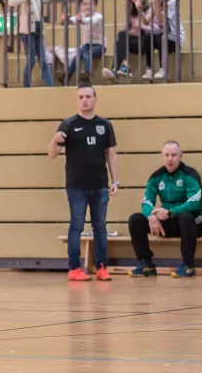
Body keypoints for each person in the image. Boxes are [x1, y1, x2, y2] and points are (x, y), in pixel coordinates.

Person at [48, 82, 119, 282]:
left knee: (100, 226)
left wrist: (116, 181)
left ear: (95, 99)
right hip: (76, 186)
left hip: (100, 185)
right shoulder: (68, 124)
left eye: (88, 96)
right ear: (76, 100)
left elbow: (111, 154)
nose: (85, 100)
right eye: (81, 97)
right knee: (76, 226)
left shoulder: (105, 125)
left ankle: (102, 267)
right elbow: (52, 154)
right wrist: (54, 140)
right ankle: (74, 269)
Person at [128, 141, 202, 278]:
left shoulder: (190, 174)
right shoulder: (156, 176)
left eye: (174, 155)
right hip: (169, 223)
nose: (170, 159)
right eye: (167, 155)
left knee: (186, 216)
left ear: (181, 156)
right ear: (162, 156)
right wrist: (150, 216)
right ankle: (147, 264)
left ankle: (188, 265)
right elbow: (147, 200)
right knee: (136, 219)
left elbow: (195, 202)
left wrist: (170, 212)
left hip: (194, 222)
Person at [8, 0, 55, 87]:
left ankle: (50, 86)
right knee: (31, 59)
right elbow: (11, 1)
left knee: (43, 60)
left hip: (37, 27)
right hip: (27, 30)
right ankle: (26, 85)